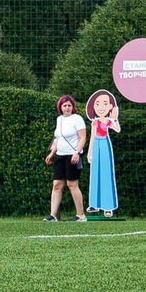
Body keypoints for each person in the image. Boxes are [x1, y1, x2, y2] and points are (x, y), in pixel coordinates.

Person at [45, 95, 88, 221]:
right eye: (65, 105)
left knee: (72, 184)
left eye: (69, 105)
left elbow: (83, 137)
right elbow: (58, 138)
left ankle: (81, 215)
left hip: (72, 155)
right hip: (60, 155)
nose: (67, 108)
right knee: (57, 184)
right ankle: (53, 215)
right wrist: (52, 153)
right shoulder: (59, 119)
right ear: (60, 107)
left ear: (73, 107)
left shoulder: (77, 119)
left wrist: (77, 153)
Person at [84, 89, 119, 218]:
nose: (101, 107)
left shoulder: (109, 121)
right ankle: (94, 204)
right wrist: (90, 151)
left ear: (110, 106)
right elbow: (92, 136)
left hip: (105, 145)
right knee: (95, 174)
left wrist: (115, 119)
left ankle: (108, 206)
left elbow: (117, 129)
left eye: (105, 103)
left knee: (106, 173)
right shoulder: (95, 122)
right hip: (96, 145)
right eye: (97, 104)